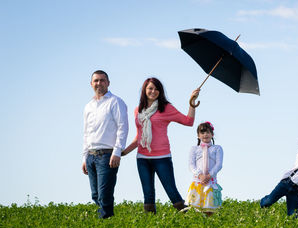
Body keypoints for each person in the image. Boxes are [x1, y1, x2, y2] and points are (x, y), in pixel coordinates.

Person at [121, 77, 199, 214]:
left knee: (171, 191)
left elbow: (188, 121)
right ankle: (150, 226)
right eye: (150, 88)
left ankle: (189, 218)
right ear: (145, 90)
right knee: (148, 194)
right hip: (142, 158)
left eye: (157, 89)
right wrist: (123, 152)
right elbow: (139, 137)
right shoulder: (138, 110)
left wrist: (192, 103)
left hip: (162, 157)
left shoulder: (166, 108)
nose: (153, 91)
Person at [82, 70, 129, 219]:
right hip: (91, 155)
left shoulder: (115, 102)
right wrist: (84, 157)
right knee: (95, 195)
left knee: (104, 194)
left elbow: (123, 127)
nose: (99, 83)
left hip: (107, 155)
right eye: (96, 81)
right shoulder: (88, 106)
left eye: (102, 80)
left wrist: (117, 152)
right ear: (91, 84)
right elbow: (86, 133)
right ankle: (103, 223)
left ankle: (107, 224)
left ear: (108, 83)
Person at [185, 122, 223, 216]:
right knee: (195, 209)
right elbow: (191, 164)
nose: (205, 134)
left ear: (212, 134)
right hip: (197, 182)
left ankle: (208, 226)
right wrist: (200, 175)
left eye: (208, 132)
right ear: (198, 135)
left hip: (211, 182)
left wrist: (209, 176)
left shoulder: (217, 148)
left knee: (209, 210)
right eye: (202, 132)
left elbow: (219, 164)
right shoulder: (194, 149)